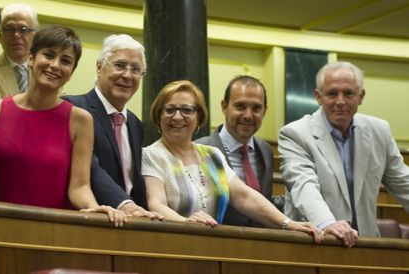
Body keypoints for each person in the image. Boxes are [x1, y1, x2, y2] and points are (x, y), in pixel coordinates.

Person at [142, 80, 323, 243]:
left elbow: (245, 197)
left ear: (199, 117)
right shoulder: (150, 155)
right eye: (170, 109)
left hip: (215, 249)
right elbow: (156, 204)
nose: (178, 117)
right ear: (159, 115)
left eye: (187, 110)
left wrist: (288, 223)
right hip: (172, 247)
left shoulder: (212, 155)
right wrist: (187, 223)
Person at [0, 25, 126, 226]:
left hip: (53, 232)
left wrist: (94, 207)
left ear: (70, 73)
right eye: (48, 55)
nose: (55, 65)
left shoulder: (80, 120)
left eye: (65, 61)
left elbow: (79, 186)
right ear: (31, 59)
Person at [279, 61, 409, 246]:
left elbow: (403, 183)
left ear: (361, 96)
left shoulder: (379, 131)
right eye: (332, 93)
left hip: (367, 245)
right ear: (318, 96)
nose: (340, 101)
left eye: (348, 93)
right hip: (315, 243)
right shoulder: (295, 133)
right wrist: (327, 223)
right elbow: (303, 185)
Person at [65, 34, 162, 220]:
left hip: (131, 224)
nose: (127, 75)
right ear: (99, 66)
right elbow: (90, 168)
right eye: (119, 65)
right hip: (89, 220)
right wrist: (124, 204)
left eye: (135, 69)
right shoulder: (74, 109)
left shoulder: (135, 124)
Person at [195, 75, 279, 227]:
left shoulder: (266, 151)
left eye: (256, 108)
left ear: (265, 111)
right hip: (216, 242)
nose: (248, 115)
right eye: (240, 106)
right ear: (224, 106)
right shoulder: (201, 150)